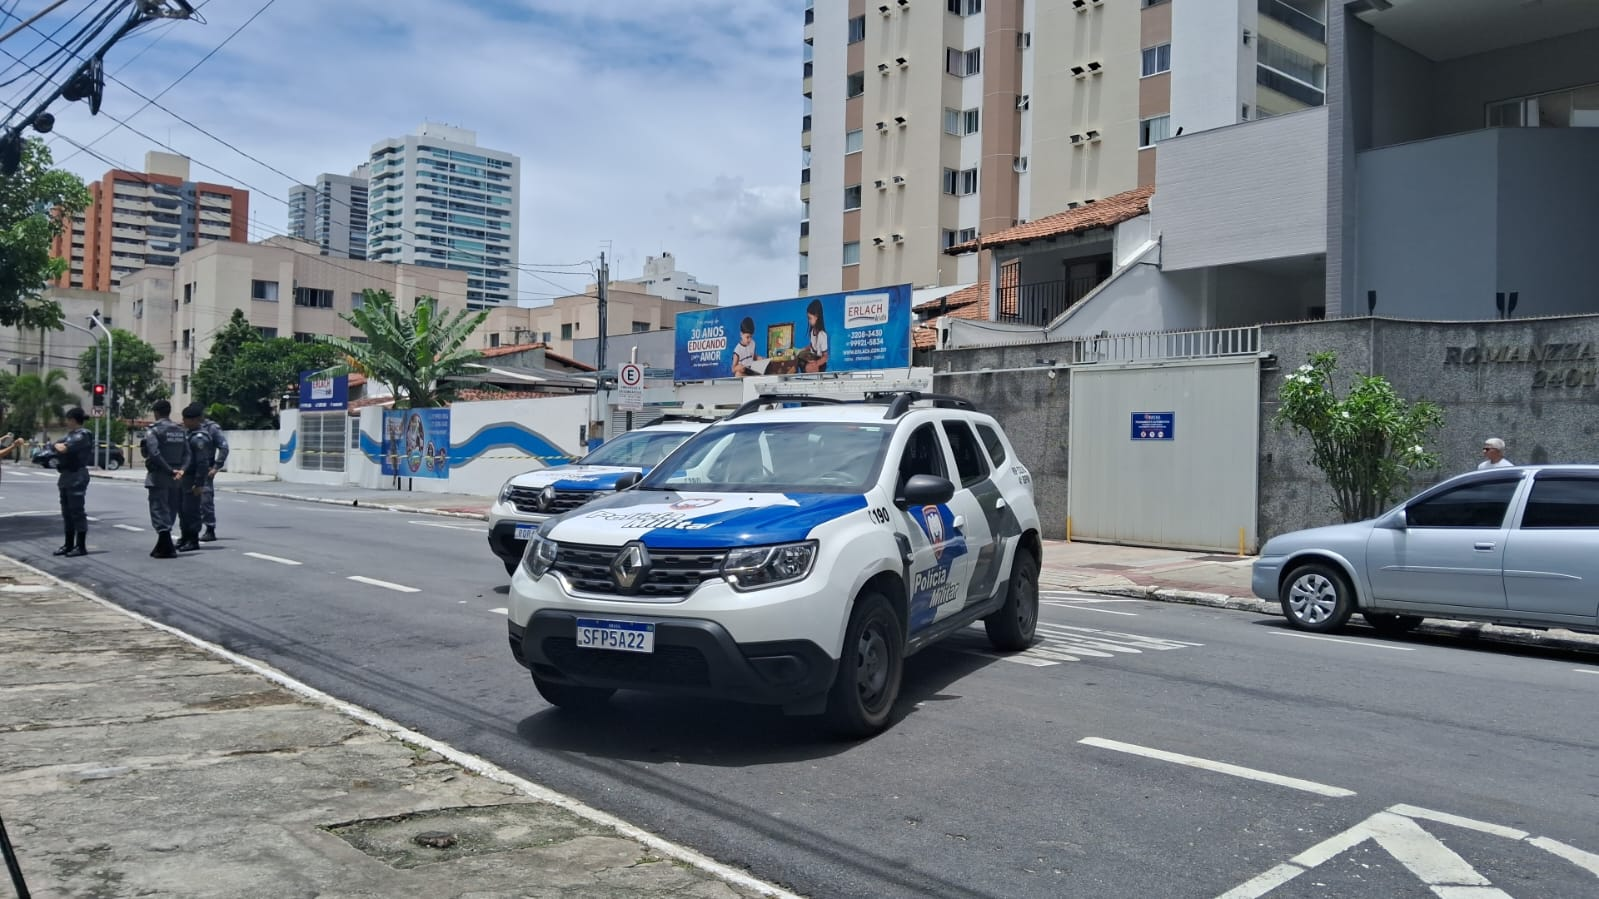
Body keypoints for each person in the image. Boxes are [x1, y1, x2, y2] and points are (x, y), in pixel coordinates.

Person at [142, 399, 190, 558]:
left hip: (159, 476)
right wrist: (181, 470)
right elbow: (188, 454)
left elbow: (154, 454)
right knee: (171, 509)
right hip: (176, 478)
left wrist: (170, 470)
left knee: (158, 509)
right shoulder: (180, 430)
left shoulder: (153, 431)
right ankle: (162, 547)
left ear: (156, 413)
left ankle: (166, 547)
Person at [50, 409, 95, 558]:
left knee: (76, 511)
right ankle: (68, 544)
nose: (67, 422)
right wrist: (57, 445)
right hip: (66, 475)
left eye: (68, 419)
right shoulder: (69, 435)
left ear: (73, 420)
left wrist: (57, 445)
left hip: (77, 475)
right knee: (66, 512)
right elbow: (56, 445)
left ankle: (80, 545)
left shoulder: (83, 435)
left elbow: (61, 447)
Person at [177, 403, 215, 552]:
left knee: (191, 510)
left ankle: (193, 539)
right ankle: (184, 536)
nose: (184, 421)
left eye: (186, 419)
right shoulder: (189, 434)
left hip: (193, 478)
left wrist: (199, 483)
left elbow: (202, 462)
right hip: (185, 478)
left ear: (195, 420)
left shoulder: (199, 437)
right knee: (183, 510)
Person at [198, 414, 229, 541]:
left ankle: (210, 529)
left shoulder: (211, 428)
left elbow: (224, 447)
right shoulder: (187, 428)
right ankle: (190, 531)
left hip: (206, 469)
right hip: (190, 470)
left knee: (205, 501)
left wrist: (216, 467)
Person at [802, 299, 829, 373]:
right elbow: (812, 346)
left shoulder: (822, 335)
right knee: (799, 359)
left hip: (820, 363)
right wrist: (801, 350)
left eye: (810, 318)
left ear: (816, 316)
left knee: (807, 367)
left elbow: (825, 357)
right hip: (813, 358)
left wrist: (815, 364)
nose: (808, 321)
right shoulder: (812, 332)